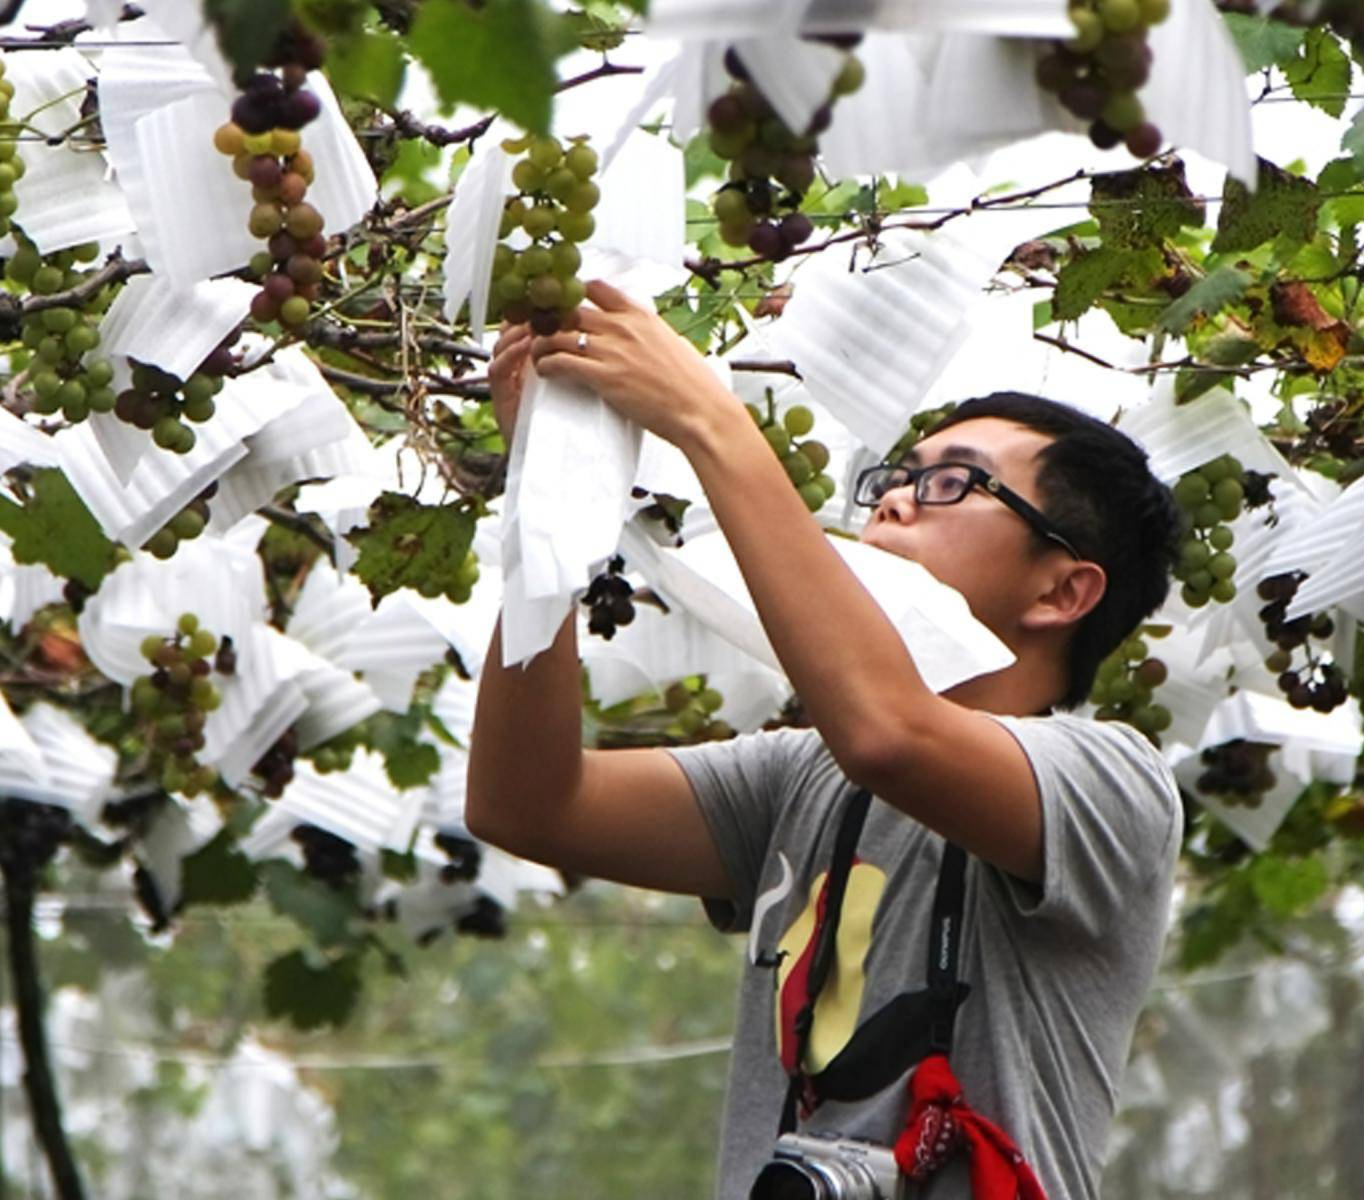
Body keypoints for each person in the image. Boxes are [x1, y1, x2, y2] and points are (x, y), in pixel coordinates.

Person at [466, 280, 1185, 1199]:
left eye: (953, 483)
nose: (892, 504)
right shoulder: (806, 775)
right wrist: (548, 494)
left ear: (1062, 593)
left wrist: (708, 421)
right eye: (893, 478)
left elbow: (888, 732)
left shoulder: (1112, 783)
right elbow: (525, 804)